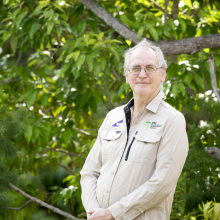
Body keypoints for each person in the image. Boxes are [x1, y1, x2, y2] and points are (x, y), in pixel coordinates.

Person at [80, 39, 189, 220]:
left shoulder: (172, 120)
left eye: (150, 68)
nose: (142, 74)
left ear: (162, 73)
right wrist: (95, 212)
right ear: (126, 74)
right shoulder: (113, 117)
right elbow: (89, 172)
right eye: (136, 68)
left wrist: (113, 214)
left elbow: (162, 184)